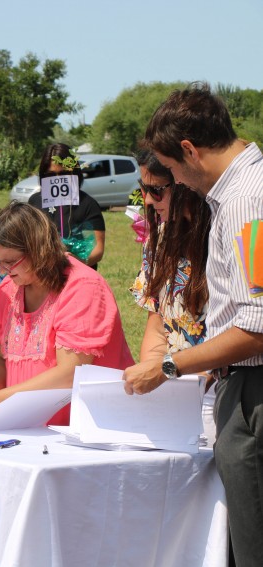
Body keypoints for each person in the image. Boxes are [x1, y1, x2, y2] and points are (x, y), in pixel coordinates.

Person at [122, 83, 263, 566]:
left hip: (251, 389)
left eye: (172, 173)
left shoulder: (246, 201)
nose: (176, 184)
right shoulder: (241, 193)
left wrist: (166, 368)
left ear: (188, 151)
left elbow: (256, 327)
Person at [0, 201, 134, 425]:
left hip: (84, 426)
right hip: (30, 427)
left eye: (11, 262)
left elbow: (70, 373)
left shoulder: (82, 287)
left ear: (39, 251)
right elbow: (1, 359)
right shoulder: (9, 289)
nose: (3, 271)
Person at [128, 150, 215, 445]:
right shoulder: (160, 237)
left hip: (222, 394)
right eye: (143, 189)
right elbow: (158, 322)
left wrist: (166, 370)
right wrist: (155, 380)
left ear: (183, 181)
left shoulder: (223, 232)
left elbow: (242, 335)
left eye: (156, 190)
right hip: (174, 393)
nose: (148, 201)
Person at [28, 143, 106, 269]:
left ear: (74, 173)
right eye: (51, 175)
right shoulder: (34, 202)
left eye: (64, 173)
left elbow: (98, 250)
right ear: (43, 175)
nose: (58, 179)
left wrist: (77, 263)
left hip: (79, 278)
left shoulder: (88, 204)